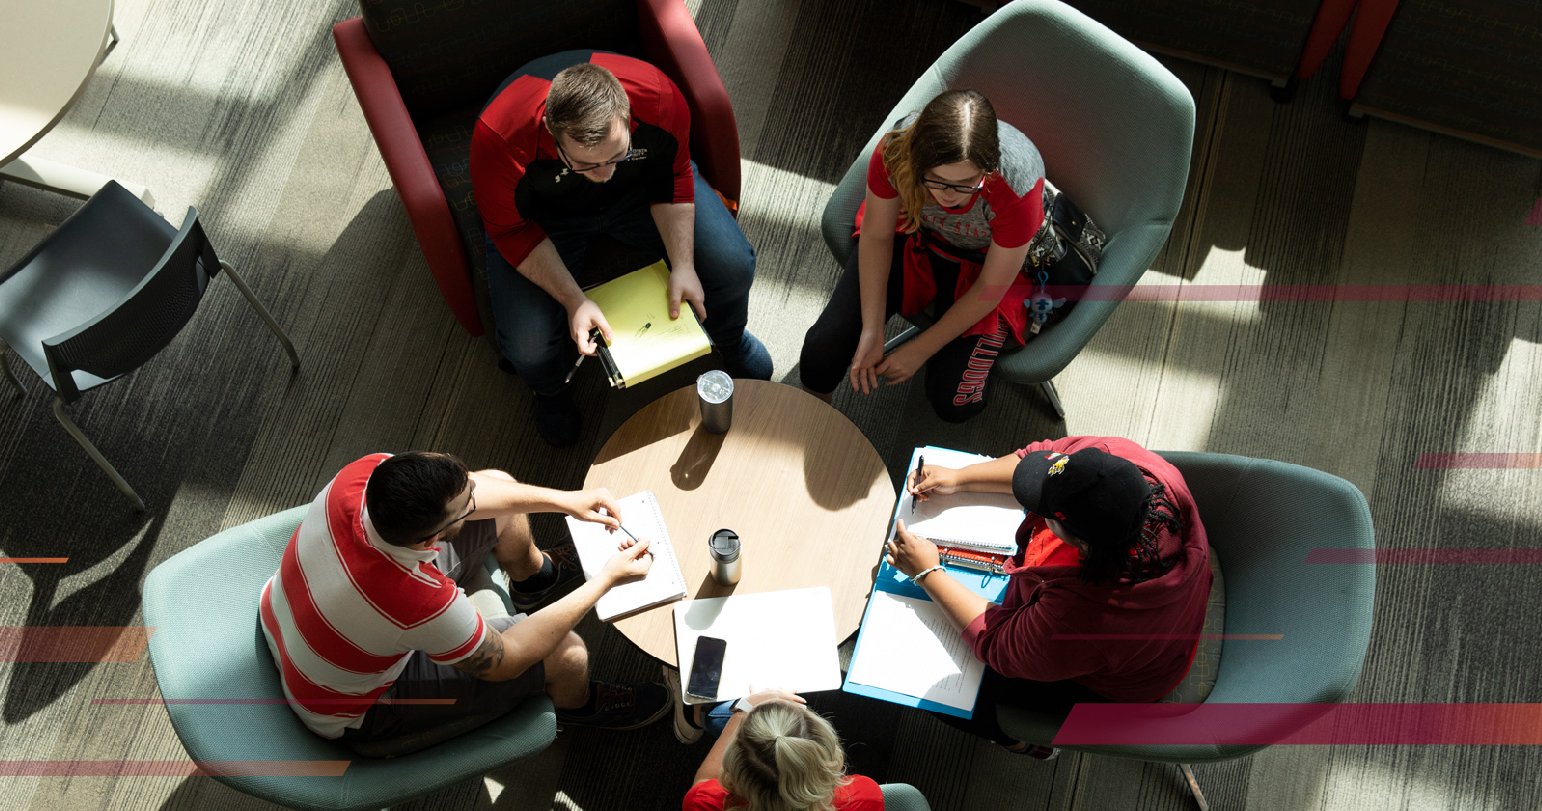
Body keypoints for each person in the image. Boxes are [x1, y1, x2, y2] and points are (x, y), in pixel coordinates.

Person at [259, 451, 673, 757]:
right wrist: (605, 578)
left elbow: (477, 484)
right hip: (350, 707)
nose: (474, 495)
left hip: (292, 617)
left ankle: (536, 579)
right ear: (428, 543)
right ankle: (577, 705)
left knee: (501, 490)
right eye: (464, 508)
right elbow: (508, 659)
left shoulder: (365, 475)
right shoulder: (419, 598)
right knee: (568, 654)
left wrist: (566, 499)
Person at [473, 51, 773, 446]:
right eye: (585, 164)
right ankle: (552, 391)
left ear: (627, 114)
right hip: (545, 219)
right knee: (527, 344)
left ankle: (730, 338)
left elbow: (673, 170)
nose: (603, 173)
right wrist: (574, 300)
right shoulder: (500, 140)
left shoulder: (659, 97)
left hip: (639, 193)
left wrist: (683, 264)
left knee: (733, 264)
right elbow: (510, 231)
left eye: (618, 154)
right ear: (551, 133)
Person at [883, 437, 1212, 759]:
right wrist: (959, 477)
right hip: (1163, 619)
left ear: (1081, 543)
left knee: (946, 692)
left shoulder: (1087, 612)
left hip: (1127, 683)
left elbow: (998, 644)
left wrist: (928, 573)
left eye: (1045, 509)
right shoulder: (1127, 463)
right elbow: (1041, 454)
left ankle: (1026, 743)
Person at [799, 89, 1092, 423]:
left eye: (966, 183)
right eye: (935, 180)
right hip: (913, 238)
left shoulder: (1016, 183)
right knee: (821, 353)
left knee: (954, 401)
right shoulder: (897, 150)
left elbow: (990, 288)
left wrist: (920, 348)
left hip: (986, 266)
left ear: (988, 170)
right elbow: (878, 236)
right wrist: (871, 329)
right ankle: (815, 421)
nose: (948, 196)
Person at [681, 689, 885, 811]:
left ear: (733, 769)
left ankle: (695, 713)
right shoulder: (864, 797)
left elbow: (703, 782)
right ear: (830, 755)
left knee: (711, 714)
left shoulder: (706, 803)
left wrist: (744, 709)